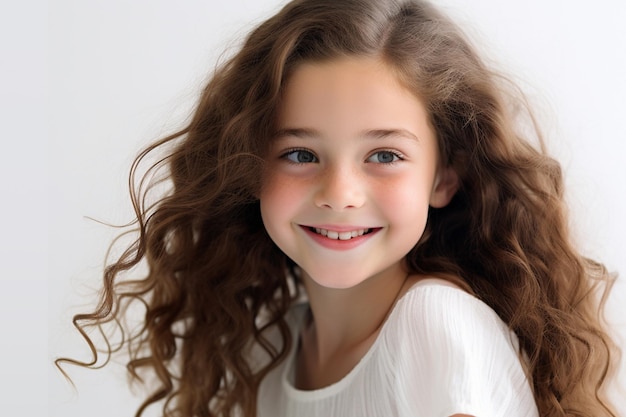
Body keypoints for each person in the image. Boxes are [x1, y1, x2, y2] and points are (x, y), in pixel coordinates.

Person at [56, 0, 621, 416]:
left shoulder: (434, 328)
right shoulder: (275, 356)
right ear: (249, 165)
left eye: (384, 154)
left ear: (444, 177)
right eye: (301, 153)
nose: (340, 192)